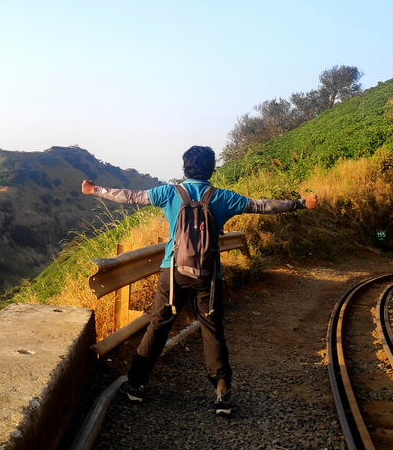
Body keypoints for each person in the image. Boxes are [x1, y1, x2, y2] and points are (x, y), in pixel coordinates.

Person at [80, 145, 317, 415]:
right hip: (208, 276)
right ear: (212, 169)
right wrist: (300, 203)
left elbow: (131, 196)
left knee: (158, 325)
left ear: (185, 168)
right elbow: (261, 206)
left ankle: (135, 386)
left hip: (173, 273)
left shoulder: (169, 192)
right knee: (212, 328)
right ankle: (222, 395)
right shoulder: (222, 198)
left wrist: (95, 190)